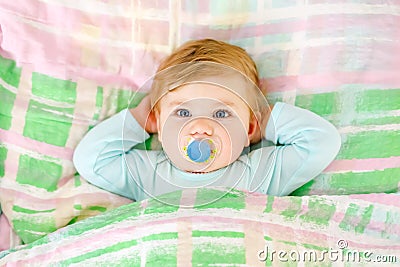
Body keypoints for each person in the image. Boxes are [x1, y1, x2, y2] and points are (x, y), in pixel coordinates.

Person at [73, 39, 341, 202]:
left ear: (248, 129)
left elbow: (321, 142)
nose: (200, 126)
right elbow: (90, 160)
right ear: (158, 124)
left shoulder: (262, 172)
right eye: (183, 113)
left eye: (221, 114)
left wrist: (267, 120)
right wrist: (139, 121)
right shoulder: (146, 173)